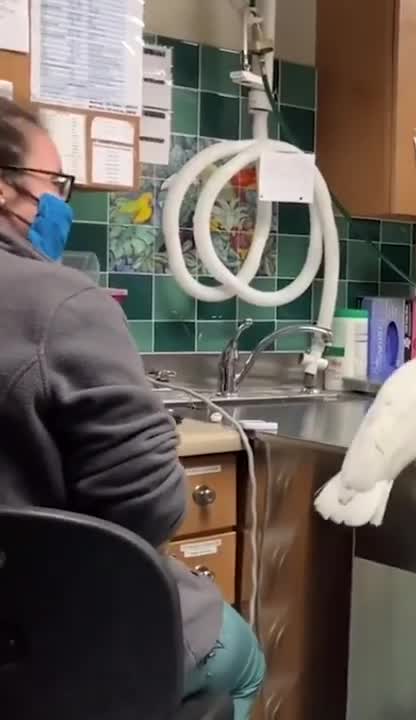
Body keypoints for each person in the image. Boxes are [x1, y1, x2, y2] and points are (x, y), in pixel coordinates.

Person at [0, 98, 266, 718]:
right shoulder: (62, 305)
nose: (62, 205)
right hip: (58, 644)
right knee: (244, 658)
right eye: (54, 186)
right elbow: (148, 509)